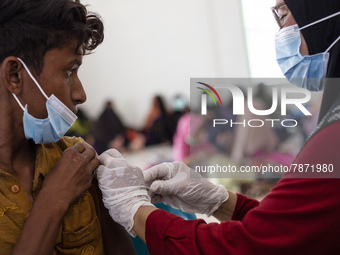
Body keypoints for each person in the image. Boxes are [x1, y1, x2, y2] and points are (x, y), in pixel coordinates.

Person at [96, 0, 340, 254]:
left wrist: (135, 210)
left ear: (322, 13)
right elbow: (292, 227)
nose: (280, 30)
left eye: (284, 12)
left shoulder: (333, 137)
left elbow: (248, 246)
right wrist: (223, 203)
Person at [0, 1, 135, 254]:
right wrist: (53, 200)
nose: (81, 94)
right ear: (15, 75)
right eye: (69, 71)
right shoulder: (73, 173)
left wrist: (129, 203)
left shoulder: (78, 161)